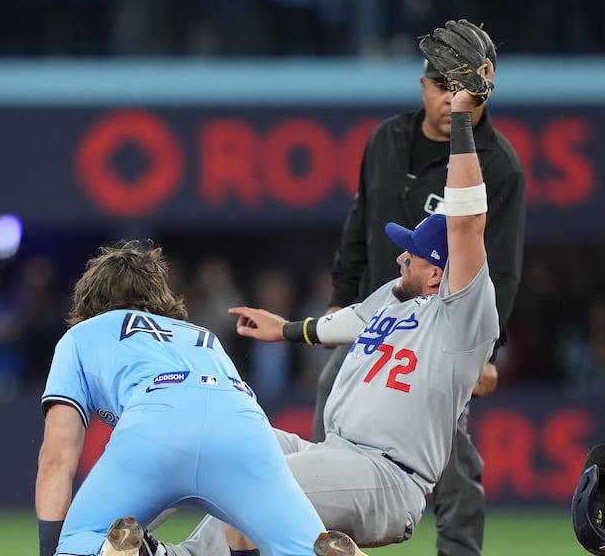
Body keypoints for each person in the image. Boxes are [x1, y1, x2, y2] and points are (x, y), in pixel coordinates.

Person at [160, 83, 499, 556]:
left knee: (256, 491)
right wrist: (284, 330)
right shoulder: (394, 299)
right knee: (215, 439)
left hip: (386, 474)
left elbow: (468, 224)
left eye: (415, 254)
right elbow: (347, 323)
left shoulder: (462, 319)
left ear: (438, 273)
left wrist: (462, 120)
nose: (402, 258)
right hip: (332, 453)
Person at [314, 21, 525, 556]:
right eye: (439, 86)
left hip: (438, 335)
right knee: (328, 412)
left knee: (451, 464)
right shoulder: (385, 139)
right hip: (373, 320)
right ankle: (319, 535)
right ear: (425, 85)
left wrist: (482, 348)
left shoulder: (495, 165)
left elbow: (499, 265)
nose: (448, 98)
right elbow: (358, 224)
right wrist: (340, 299)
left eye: (458, 90)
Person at [34, 240, 366, 556]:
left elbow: (56, 460)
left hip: (156, 425)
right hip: (244, 428)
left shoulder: (81, 335)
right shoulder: (201, 337)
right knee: (303, 543)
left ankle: (108, 550)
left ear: (88, 299)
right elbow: (241, 525)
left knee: (81, 541)